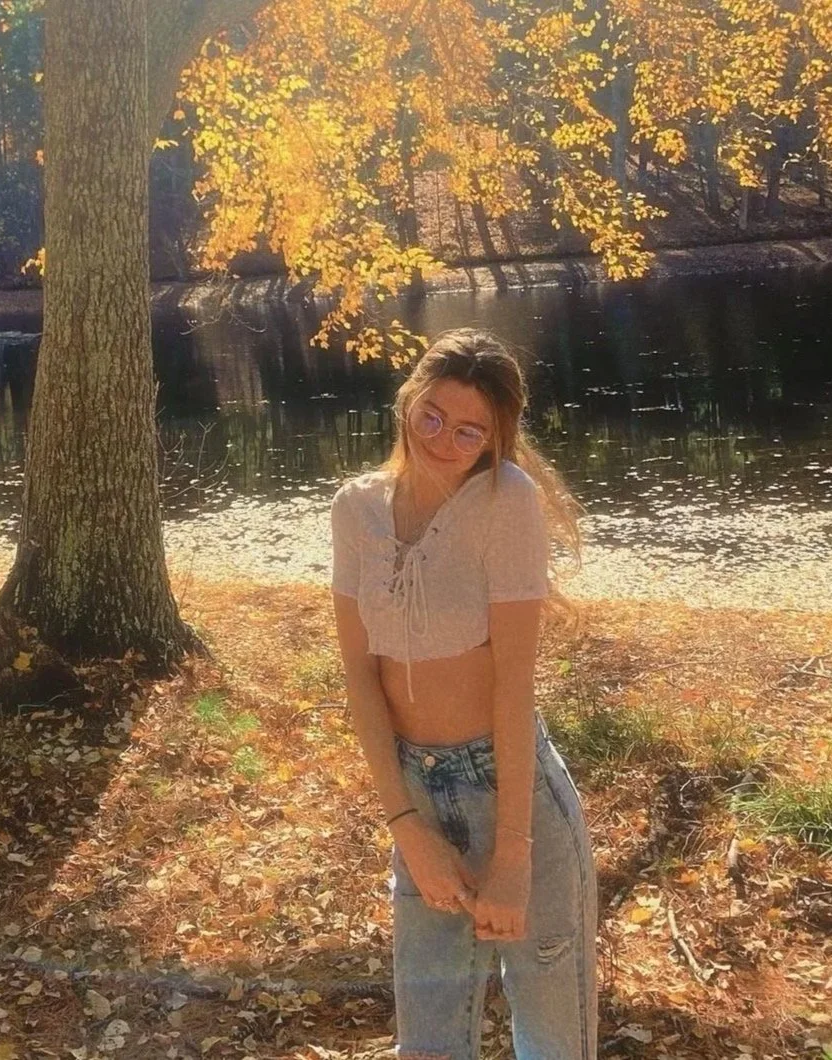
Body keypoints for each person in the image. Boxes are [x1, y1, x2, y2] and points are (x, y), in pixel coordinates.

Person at [330, 327, 597, 1060]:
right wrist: (405, 825)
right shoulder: (355, 508)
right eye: (433, 417)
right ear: (408, 401)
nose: (444, 439)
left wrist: (514, 854)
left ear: (493, 438)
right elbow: (360, 674)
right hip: (414, 785)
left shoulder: (506, 501)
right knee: (430, 1041)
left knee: (552, 1038)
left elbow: (515, 684)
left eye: (470, 430)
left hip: (511, 787)